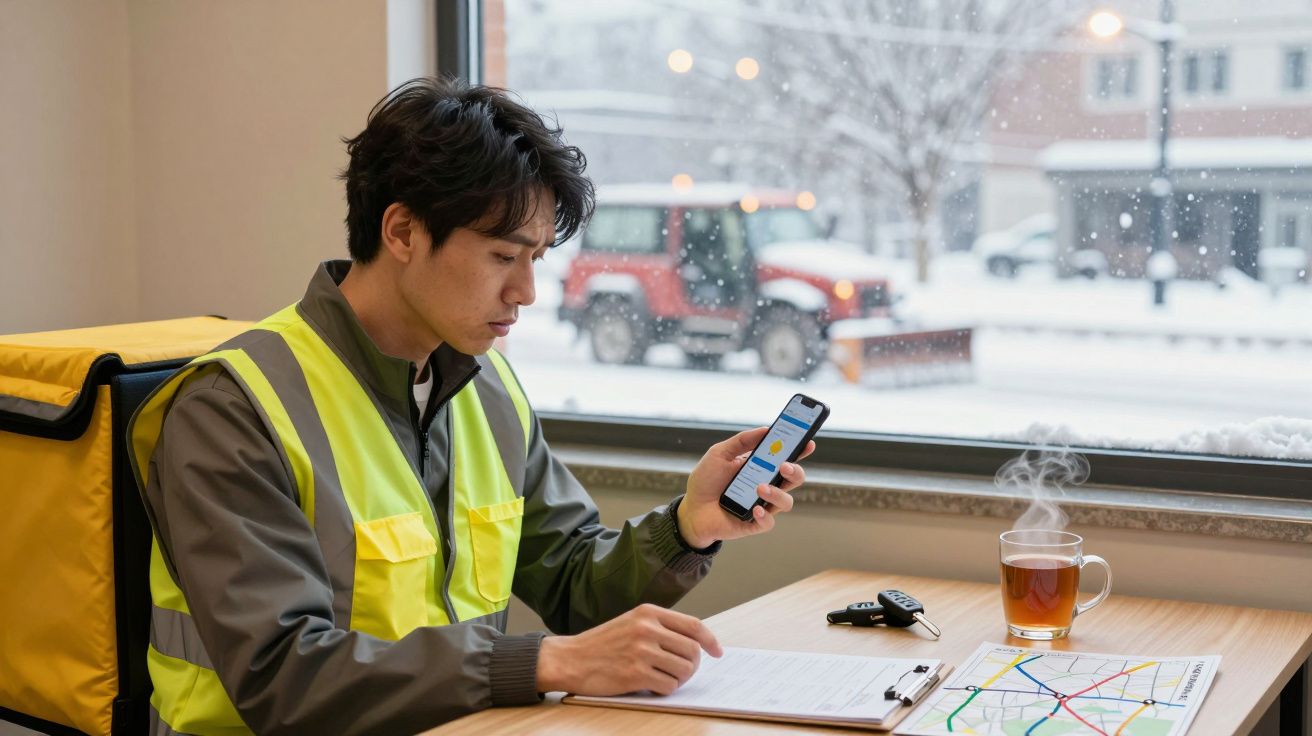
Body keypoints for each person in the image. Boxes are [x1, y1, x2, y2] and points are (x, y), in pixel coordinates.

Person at [128, 77, 816, 736]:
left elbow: (574, 585)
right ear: (402, 232)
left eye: (536, 259)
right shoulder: (232, 410)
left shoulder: (488, 389)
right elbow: (285, 676)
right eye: (502, 256)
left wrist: (688, 527)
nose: (526, 292)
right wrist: (543, 663)